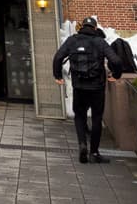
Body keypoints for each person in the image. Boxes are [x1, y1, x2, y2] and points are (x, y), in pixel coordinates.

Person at [52, 15, 123, 163]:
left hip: (79, 86)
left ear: (81, 27)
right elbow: (116, 60)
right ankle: (94, 153)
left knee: (79, 116)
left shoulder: (72, 40)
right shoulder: (99, 41)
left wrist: (58, 76)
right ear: (95, 28)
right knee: (97, 118)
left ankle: (82, 144)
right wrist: (116, 75)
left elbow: (58, 57)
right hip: (97, 87)